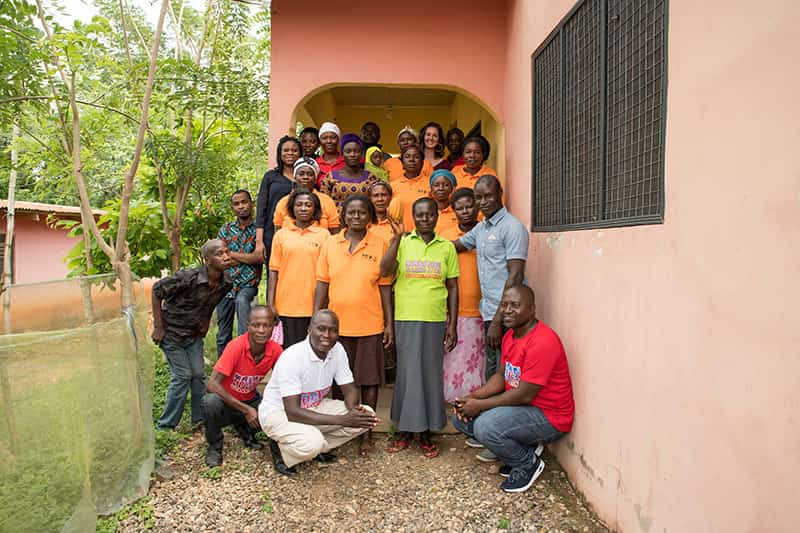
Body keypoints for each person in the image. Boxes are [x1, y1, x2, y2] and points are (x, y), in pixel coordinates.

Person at [452, 285, 574, 493]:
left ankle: (528, 463)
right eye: (504, 305)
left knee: (485, 426)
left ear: (532, 309)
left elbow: (524, 395)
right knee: (461, 416)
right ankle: (525, 447)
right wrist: (471, 398)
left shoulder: (543, 341)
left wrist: (479, 405)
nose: (507, 310)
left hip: (550, 417)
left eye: (515, 306)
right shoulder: (511, 335)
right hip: (523, 410)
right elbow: (501, 377)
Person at [452, 175, 529, 463]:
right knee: (493, 370)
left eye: (488, 196)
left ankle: (502, 436)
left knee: (508, 376)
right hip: (489, 313)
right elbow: (456, 245)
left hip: (507, 317)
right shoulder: (482, 228)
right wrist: (420, 243)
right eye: (479, 197)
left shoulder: (512, 228)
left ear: (500, 195)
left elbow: (515, 276)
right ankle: (485, 430)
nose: (483, 202)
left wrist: (498, 319)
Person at [313, 194, 393, 454]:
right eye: (351, 212)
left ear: (370, 217)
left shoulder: (380, 243)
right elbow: (322, 283)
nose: (356, 216)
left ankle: (366, 433)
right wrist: (316, 319)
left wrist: (388, 324)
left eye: (362, 212)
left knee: (369, 382)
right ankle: (342, 430)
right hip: (335, 328)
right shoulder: (330, 243)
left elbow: (385, 287)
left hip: (370, 324)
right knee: (338, 381)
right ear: (344, 215)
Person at [381, 198, 459, 459]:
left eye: (429, 215)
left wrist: (453, 324)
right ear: (414, 217)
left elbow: (453, 287)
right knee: (407, 373)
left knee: (429, 374)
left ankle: (426, 432)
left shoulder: (446, 247)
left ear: (437, 217)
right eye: (420, 215)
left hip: (435, 318)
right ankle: (404, 430)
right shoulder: (403, 242)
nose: (425, 219)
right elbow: (385, 270)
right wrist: (396, 239)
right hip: (406, 317)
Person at [258, 310, 380, 476]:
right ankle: (282, 451)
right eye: (321, 329)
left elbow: (350, 388)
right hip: (279, 413)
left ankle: (308, 445)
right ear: (309, 330)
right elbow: (293, 412)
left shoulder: (337, 350)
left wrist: (352, 410)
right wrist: (343, 420)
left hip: (313, 407)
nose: (327, 335)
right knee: (312, 442)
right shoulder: (293, 357)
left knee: (367, 416)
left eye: (333, 330)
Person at [152, 239, 233, 431]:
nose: (226, 256)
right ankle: (166, 426)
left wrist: (205, 321)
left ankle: (199, 419)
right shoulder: (188, 277)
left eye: (227, 252)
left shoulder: (226, 283)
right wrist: (158, 326)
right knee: (182, 376)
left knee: (198, 375)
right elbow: (157, 291)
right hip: (171, 332)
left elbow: (212, 302)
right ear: (207, 260)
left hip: (193, 335)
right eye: (219, 253)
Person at [203, 305, 283, 466]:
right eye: (256, 325)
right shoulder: (236, 346)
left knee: (274, 415)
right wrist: (246, 410)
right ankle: (214, 447)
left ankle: (244, 429)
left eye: (266, 325)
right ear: (248, 326)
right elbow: (212, 384)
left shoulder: (275, 350)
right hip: (226, 402)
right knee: (209, 402)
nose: (261, 330)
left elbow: (285, 380)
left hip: (250, 399)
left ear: (273, 327)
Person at [439, 188, 484, 403]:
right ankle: (453, 403)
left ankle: (475, 403)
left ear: (477, 207)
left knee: (477, 362)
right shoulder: (446, 235)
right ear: (453, 211)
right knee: (453, 359)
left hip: (481, 310)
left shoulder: (486, 231)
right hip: (453, 309)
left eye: (469, 206)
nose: (465, 211)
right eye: (460, 208)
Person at [268, 189, 330, 348]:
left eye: (308, 205)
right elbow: (273, 271)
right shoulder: (281, 235)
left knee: (311, 352)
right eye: (299, 205)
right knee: (286, 353)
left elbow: (328, 274)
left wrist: (324, 304)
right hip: (285, 306)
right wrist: (271, 304)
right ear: (292, 209)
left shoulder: (324, 235)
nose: (303, 208)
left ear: (314, 209)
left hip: (312, 306)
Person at [215, 190, 262, 358]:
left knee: (243, 305)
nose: (241, 206)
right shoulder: (227, 229)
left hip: (247, 285)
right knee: (223, 334)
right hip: (226, 285)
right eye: (237, 204)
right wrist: (248, 258)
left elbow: (259, 257)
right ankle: (223, 371)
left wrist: (232, 254)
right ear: (232, 208)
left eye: (244, 202)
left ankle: (244, 362)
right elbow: (220, 258)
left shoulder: (259, 230)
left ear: (251, 203)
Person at [255, 135, 302, 265]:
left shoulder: (305, 177)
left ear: (300, 153)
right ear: (280, 154)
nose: (290, 153)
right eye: (286, 150)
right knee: (274, 272)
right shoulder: (271, 176)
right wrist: (259, 241)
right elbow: (261, 209)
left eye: (294, 150)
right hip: (272, 234)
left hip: (299, 235)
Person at [272, 157, 340, 233]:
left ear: (315, 179)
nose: (305, 177)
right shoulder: (284, 202)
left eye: (310, 174)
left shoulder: (327, 201)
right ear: (294, 178)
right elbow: (277, 232)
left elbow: (334, 233)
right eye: (301, 174)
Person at [320, 133, 378, 210]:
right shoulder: (330, 177)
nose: (352, 155)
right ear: (342, 154)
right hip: (335, 220)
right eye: (348, 151)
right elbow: (323, 203)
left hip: (364, 220)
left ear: (361, 154)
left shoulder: (371, 178)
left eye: (356, 151)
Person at [391, 144, 431, 231]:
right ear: (402, 162)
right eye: (407, 157)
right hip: (399, 236)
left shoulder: (431, 185)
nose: (411, 160)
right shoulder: (392, 186)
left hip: (424, 235)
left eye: (416, 157)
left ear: (422, 162)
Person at [430, 169, 458, 235]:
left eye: (446, 185)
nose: (441, 188)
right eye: (436, 185)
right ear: (431, 189)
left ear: (452, 189)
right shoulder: (427, 212)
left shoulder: (458, 211)